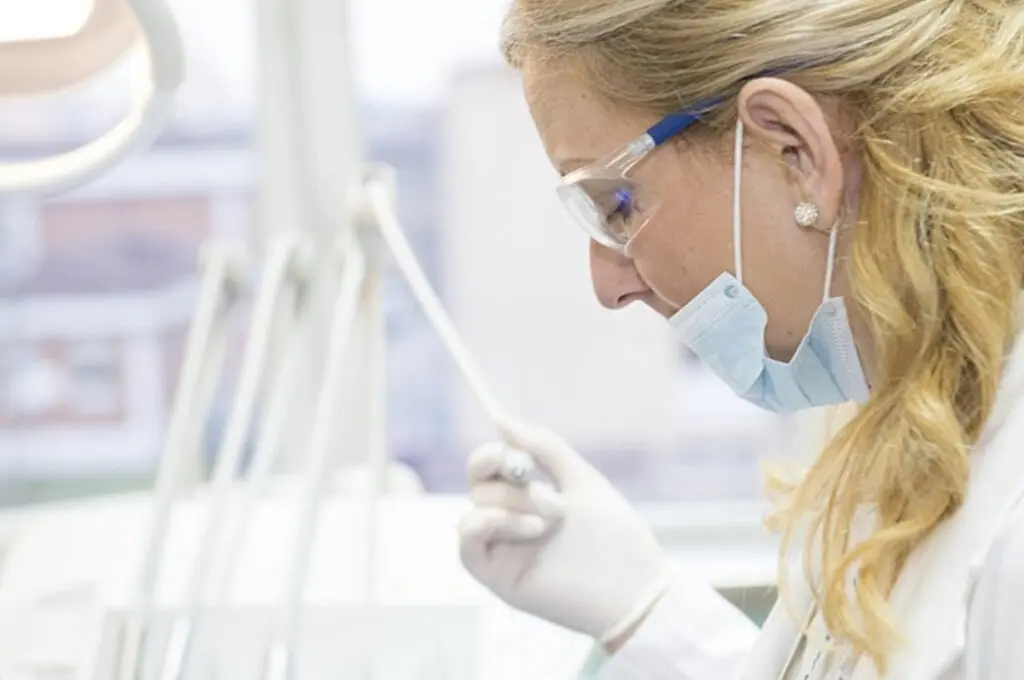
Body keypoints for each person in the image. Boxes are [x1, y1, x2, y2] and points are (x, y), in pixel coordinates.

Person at [456, 1, 1024, 678]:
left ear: (795, 150)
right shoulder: (934, 405)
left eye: (618, 205)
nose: (607, 287)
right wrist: (648, 609)